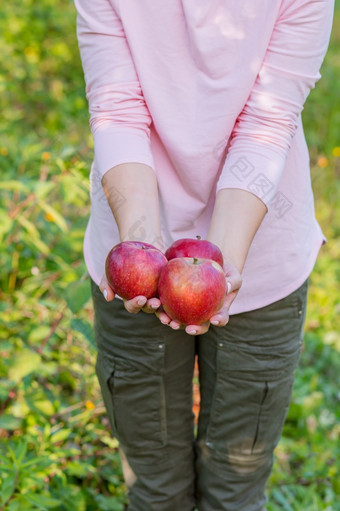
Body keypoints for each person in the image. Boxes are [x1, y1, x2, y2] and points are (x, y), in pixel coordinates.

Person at [74, 0, 334, 509]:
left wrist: (222, 264)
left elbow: (267, 120)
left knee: (235, 489)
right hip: (133, 251)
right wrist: (141, 248)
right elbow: (118, 107)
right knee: (155, 491)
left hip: (260, 260)